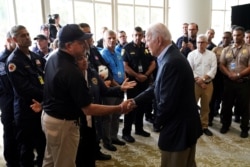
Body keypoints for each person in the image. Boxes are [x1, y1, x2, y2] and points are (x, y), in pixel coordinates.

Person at [42, 24, 132, 167]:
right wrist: (119, 108)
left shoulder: (53, 57)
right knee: (64, 163)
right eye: (80, 42)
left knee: (51, 160)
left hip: (50, 117)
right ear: (69, 45)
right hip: (63, 123)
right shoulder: (71, 70)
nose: (85, 45)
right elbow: (88, 109)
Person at [129, 22, 202, 167]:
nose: (145, 44)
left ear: (158, 40)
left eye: (147, 40)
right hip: (183, 126)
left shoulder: (171, 61)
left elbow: (167, 103)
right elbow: (157, 86)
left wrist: (157, 123)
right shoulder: (169, 56)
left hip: (178, 130)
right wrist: (135, 101)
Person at [6, 25, 47, 167]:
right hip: (25, 111)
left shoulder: (36, 57)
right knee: (26, 150)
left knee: (43, 146)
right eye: (22, 35)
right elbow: (24, 89)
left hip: (41, 108)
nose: (27, 37)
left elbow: (45, 78)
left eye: (28, 34)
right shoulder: (13, 61)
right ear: (14, 39)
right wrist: (47, 94)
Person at [122, 26, 156, 143]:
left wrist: (145, 75)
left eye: (140, 35)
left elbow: (153, 63)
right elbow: (125, 66)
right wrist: (137, 75)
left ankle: (139, 128)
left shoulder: (146, 47)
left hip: (144, 81)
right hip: (132, 82)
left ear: (143, 36)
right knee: (130, 106)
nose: (138, 37)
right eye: (135, 35)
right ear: (132, 36)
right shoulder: (127, 48)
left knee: (142, 105)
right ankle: (126, 132)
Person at [219, 26, 250, 138]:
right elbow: (221, 64)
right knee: (226, 105)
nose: (236, 37)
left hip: (243, 82)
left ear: (243, 36)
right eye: (234, 35)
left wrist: (238, 75)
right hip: (229, 82)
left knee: (244, 107)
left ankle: (244, 128)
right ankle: (225, 125)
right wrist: (229, 74)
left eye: (239, 35)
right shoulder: (226, 49)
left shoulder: (249, 49)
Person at [100, 30, 126, 151]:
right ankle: (107, 141)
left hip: (121, 87)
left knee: (117, 113)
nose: (112, 40)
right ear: (104, 40)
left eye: (114, 38)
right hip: (111, 89)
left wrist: (124, 82)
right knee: (108, 116)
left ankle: (114, 136)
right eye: (109, 38)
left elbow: (122, 67)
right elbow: (106, 74)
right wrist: (118, 86)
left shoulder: (118, 52)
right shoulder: (102, 54)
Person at [187, 34, 217, 136]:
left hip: (208, 85)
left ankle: (204, 126)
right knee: (191, 106)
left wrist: (203, 80)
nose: (200, 44)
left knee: (205, 107)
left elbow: (213, 70)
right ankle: (191, 126)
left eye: (202, 42)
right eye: (198, 42)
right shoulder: (191, 55)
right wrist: (199, 81)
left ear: (207, 43)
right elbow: (190, 70)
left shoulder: (211, 55)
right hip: (195, 85)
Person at [0, 32, 19, 167]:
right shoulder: (2, 60)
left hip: (20, 102)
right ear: (9, 40)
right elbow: (7, 85)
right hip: (8, 102)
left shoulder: (20, 57)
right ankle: (12, 162)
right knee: (10, 134)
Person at [208, 31, 232, 126]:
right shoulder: (216, 49)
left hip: (227, 77)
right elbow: (210, 62)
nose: (225, 39)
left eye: (227, 38)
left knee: (226, 101)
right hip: (216, 77)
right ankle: (209, 118)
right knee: (212, 98)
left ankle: (224, 121)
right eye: (223, 37)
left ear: (231, 39)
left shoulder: (232, 49)